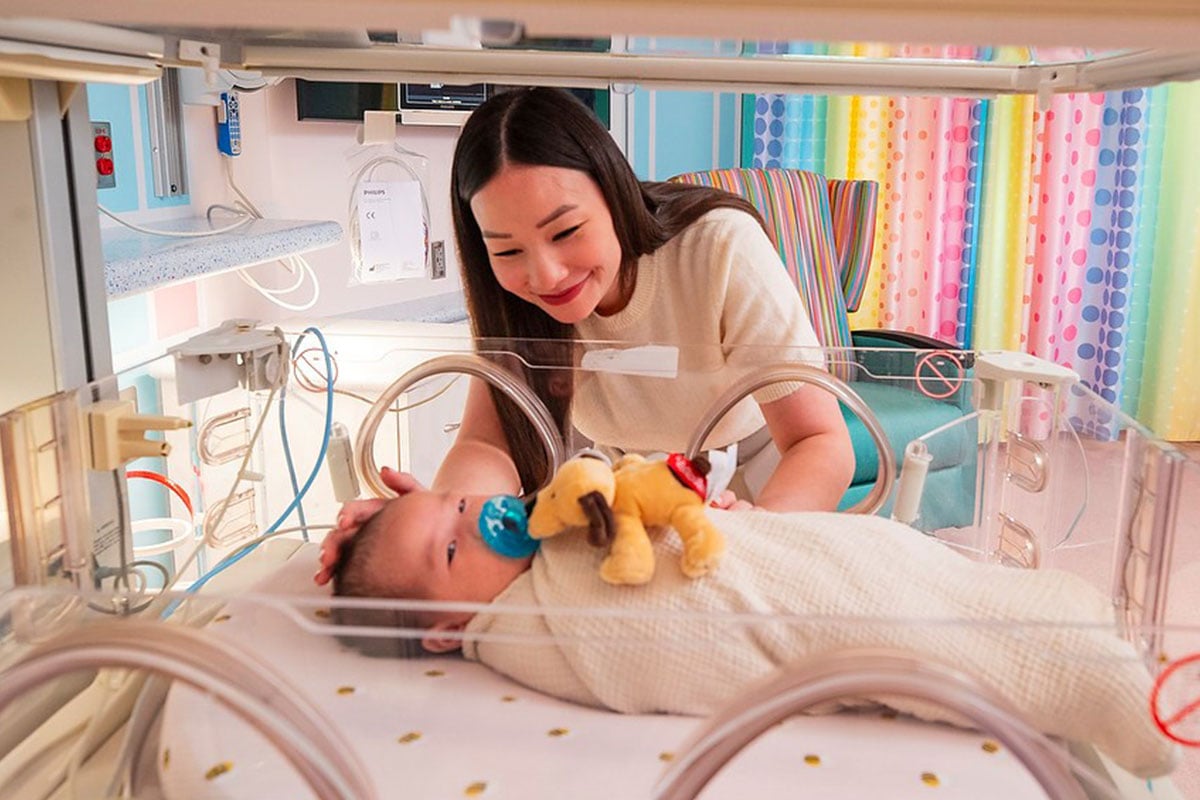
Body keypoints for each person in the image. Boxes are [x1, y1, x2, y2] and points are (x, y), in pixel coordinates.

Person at [317, 86, 856, 580]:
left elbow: (819, 441)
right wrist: (435, 523)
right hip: (619, 474)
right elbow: (489, 440)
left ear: (615, 194)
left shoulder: (718, 248)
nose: (546, 275)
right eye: (507, 251)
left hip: (755, 460)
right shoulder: (513, 298)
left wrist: (759, 529)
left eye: (566, 231)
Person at [324, 486, 1178, 780]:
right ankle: (1100, 683)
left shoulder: (536, 546)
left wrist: (700, 510)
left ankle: (1076, 644)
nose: (480, 521)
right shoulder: (531, 629)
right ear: (443, 634)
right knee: (905, 623)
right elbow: (670, 629)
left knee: (894, 568)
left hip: (784, 542)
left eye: (464, 507)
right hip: (786, 602)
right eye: (448, 544)